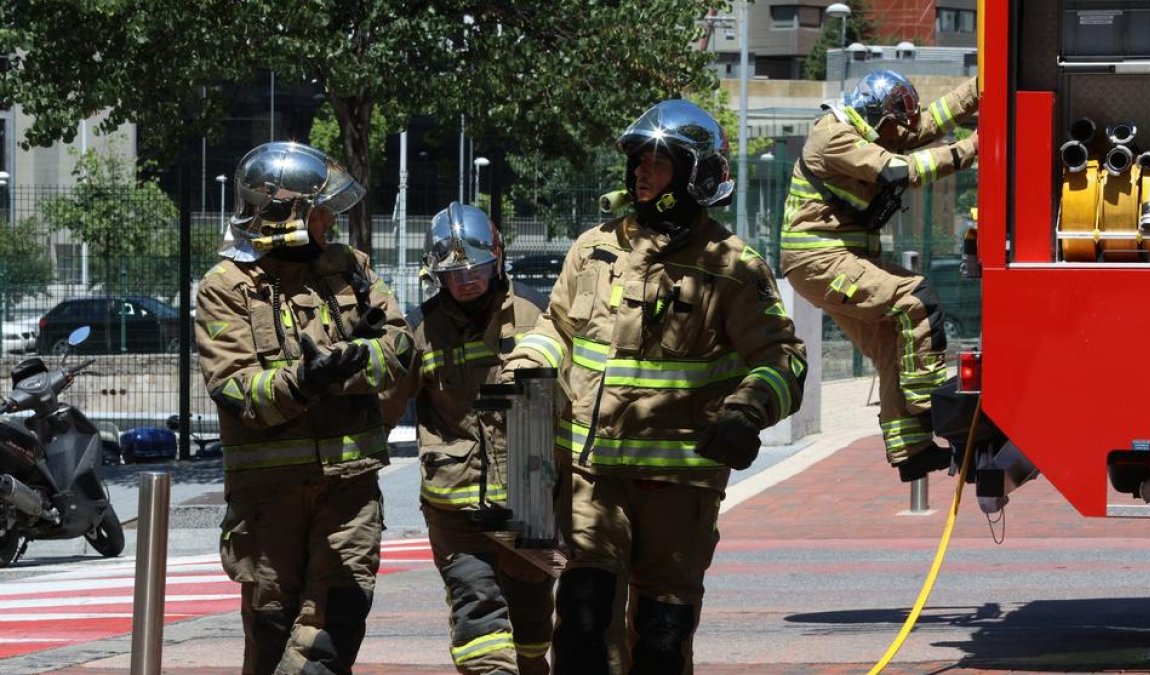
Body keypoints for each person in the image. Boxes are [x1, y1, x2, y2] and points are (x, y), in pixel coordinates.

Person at [502, 99, 808, 675]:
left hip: (679, 487)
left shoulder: (732, 267)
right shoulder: (593, 250)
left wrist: (748, 410)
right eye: (639, 160)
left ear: (697, 176)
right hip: (592, 478)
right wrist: (527, 364)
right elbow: (556, 328)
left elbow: (783, 357)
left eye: (659, 162)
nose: (642, 172)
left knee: (662, 642)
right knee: (584, 626)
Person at [195, 141, 414, 675]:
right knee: (273, 633)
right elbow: (236, 389)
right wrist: (306, 380)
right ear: (284, 215)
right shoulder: (225, 288)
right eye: (320, 212)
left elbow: (401, 348)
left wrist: (346, 366)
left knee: (338, 620)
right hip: (268, 498)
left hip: (349, 489)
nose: (329, 221)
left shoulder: (351, 268)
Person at [779, 70, 980, 482]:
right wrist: (972, 148)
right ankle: (930, 405)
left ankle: (912, 450)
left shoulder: (873, 131)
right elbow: (897, 170)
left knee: (891, 345)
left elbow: (928, 123)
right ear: (877, 115)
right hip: (820, 259)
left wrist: (981, 87)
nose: (902, 131)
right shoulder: (834, 136)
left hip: (838, 259)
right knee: (915, 299)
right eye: (896, 123)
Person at [381, 202, 555, 674]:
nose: (466, 280)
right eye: (454, 273)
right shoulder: (420, 329)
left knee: (533, 619)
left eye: (475, 268)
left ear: (497, 259)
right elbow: (383, 406)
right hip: (455, 505)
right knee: (476, 609)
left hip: (529, 496)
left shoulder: (538, 314)